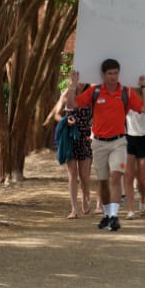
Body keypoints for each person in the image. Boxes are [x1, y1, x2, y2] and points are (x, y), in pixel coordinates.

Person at [67, 59, 145, 232]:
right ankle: (107, 215)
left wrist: (144, 88)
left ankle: (114, 216)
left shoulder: (125, 92)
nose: (113, 77)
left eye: (116, 73)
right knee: (103, 181)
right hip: (98, 143)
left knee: (115, 175)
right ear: (103, 75)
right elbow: (71, 104)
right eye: (110, 74)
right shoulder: (95, 92)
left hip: (119, 142)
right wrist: (72, 86)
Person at [53, 84, 93, 219]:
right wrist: (66, 120)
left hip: (86, 137)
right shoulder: (67, 93)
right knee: (72, 174)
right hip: (70, 137)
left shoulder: (91, 93)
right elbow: (56, 114)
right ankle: (74, 209)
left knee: (84, 176)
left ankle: (86, 197)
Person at [124, 87, 145, 220]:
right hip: (130, 137)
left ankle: (142, 201)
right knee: (129, 176)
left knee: (142, 179)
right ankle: (130, 210)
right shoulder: (125, 95)